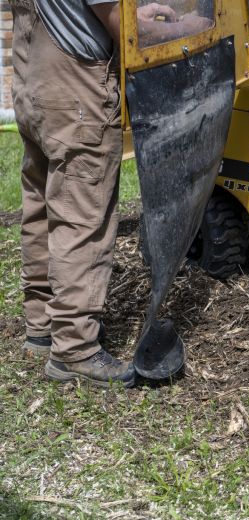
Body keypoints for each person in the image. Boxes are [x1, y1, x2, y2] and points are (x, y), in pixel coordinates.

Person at [11, 0, 211, 388]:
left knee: (42, 203)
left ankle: (42, 325)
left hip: (32, 81)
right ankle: (75, 350)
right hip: (76, 94)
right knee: (82, 216)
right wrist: (183, 27)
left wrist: (143, 9)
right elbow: (122, 27)